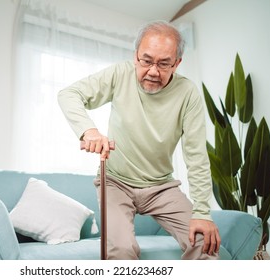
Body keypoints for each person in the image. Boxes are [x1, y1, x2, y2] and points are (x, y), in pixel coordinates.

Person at [57, 20, 221, 260]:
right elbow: (69, 94)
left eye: (164, 64)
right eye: (147, 61)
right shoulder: (119, 73)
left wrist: (203, 213)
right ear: (135, 57)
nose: (153, 71)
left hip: (162, 186)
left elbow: (196, 156)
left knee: (205, 245)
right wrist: (89, 131)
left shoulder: (188, 93)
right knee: (121, 251)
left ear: (177, 64)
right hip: (115, 182)